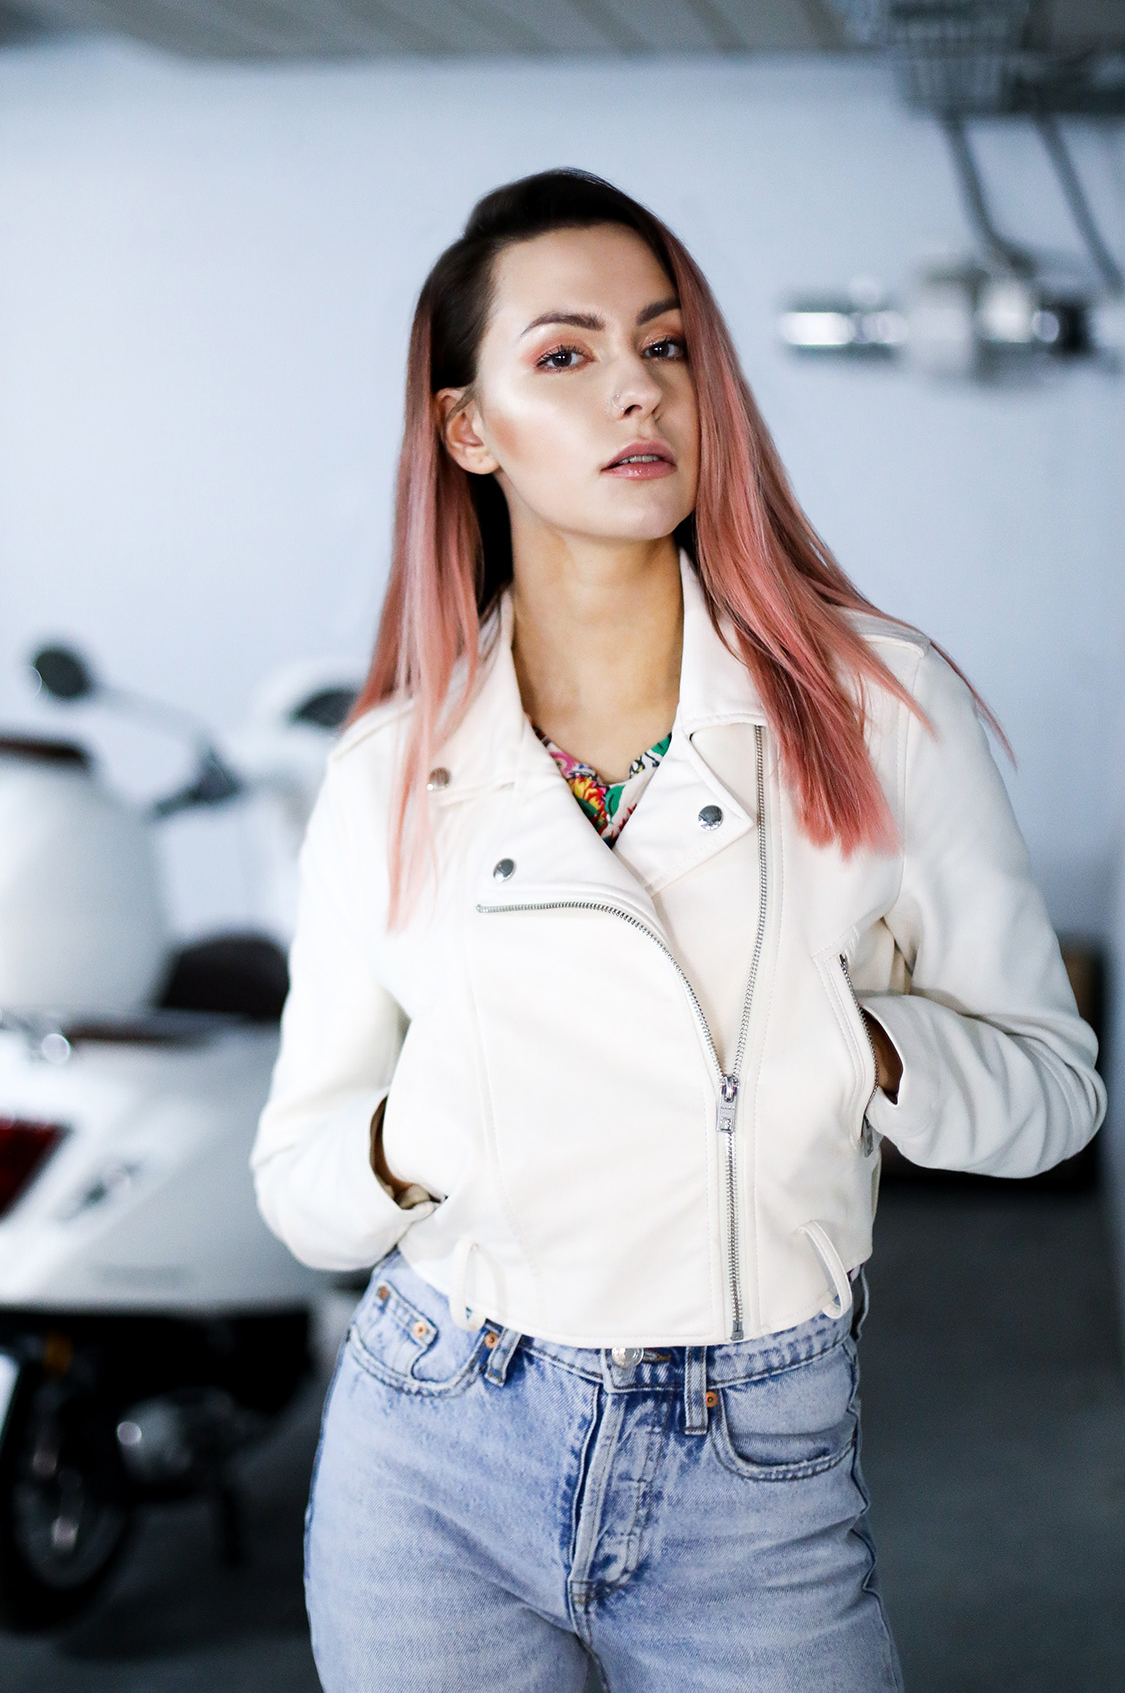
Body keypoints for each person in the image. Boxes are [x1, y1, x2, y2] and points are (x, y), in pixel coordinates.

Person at [251, 170, 1104, 1692]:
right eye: (564, 355)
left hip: (751, 1456)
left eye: (665, 346)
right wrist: (424, 1124)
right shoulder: (388, 771)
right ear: (468, 428)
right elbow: (302, 1191)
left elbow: (1053, 1097)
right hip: (433, 1433)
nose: (637, 391)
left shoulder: (877, 706)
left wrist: (854, 1048)